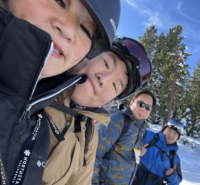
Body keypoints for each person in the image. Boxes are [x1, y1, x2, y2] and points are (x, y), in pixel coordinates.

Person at [0, 1, 121, 184]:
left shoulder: (35, 120)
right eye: (60, 1)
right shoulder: (42, 111)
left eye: (86, 30)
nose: (69, 30)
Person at [42, 37, 152, 185]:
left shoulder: (88, 132)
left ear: (107, 101)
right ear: (88, 54)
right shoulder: (33, 83)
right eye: (106, 64)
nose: (104, 79)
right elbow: (99, 157)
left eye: (114, 85)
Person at [92, 90, 157, 185]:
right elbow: (93, 152)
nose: (143, 109)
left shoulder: (139, 128)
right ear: (131, 103)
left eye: (148, 107)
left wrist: (138, 148)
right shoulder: (117, 120)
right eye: (140, 104)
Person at [133, 119, 183, 185]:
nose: (171, 135)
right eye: (170, 130)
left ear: (178, 137)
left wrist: (171, 175)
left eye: (175, 133)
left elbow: (176, 182)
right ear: (164, 129)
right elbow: (127, 141)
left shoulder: (174, 158)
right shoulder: (148, 137)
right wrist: (138, 146)